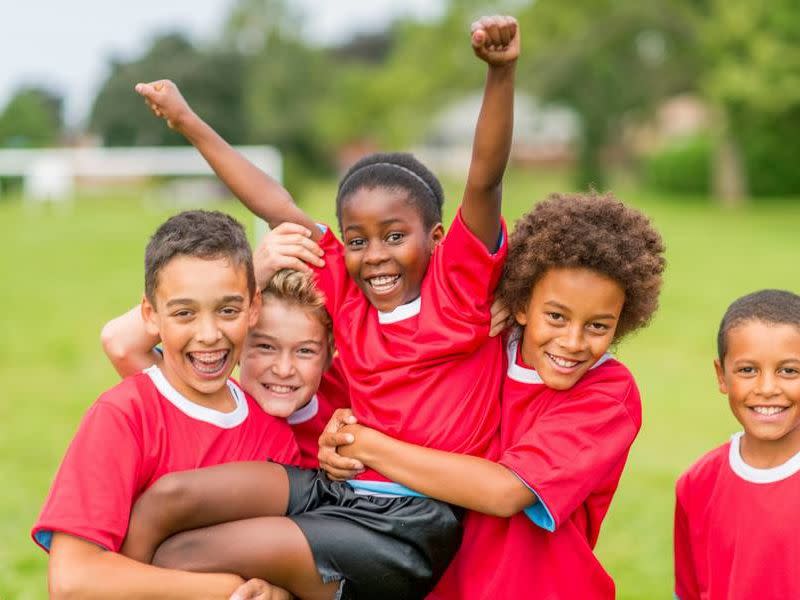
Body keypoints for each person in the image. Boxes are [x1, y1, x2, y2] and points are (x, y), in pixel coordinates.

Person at [122, 15, 519, 599]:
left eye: (394, 235)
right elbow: (275, 203)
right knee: (167, 501)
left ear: (436, 240)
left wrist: (501, 72)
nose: (374, 254)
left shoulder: (459, 295)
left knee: (187, 552)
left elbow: (484, 180)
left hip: (408, 526)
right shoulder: (349, 298)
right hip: (335, 487)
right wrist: (186, 121)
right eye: (356, 240)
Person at [319, 192, 667, 599]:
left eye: (597, 326)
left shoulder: (608, 393)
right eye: (556, 316)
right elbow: (381, 395)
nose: (573, 342)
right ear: (521, 303)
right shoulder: (480, 344)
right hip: (441, 584)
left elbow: (505, 492)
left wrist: (368, 446)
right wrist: (339, 436)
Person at [31, 210, 300, 600]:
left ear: (253, 309)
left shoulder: (275, 434)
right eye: (184, 313)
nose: (208, 335)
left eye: (227, 310)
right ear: (150, 315)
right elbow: (72, 581)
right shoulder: (123, 417)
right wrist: (223, 591)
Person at [101, 222, 350, 469]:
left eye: (305, 350)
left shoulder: (349, 385)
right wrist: (248, 276)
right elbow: (119, 343)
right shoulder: (212, 400)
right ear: (240, 339)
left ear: (330, 351)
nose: (283, 369)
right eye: (265, 347)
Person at [674, 289, 800, 600]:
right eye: (748, 370)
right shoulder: (697, 484)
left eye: (789, 370)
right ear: (722, 376)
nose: (767, 388)